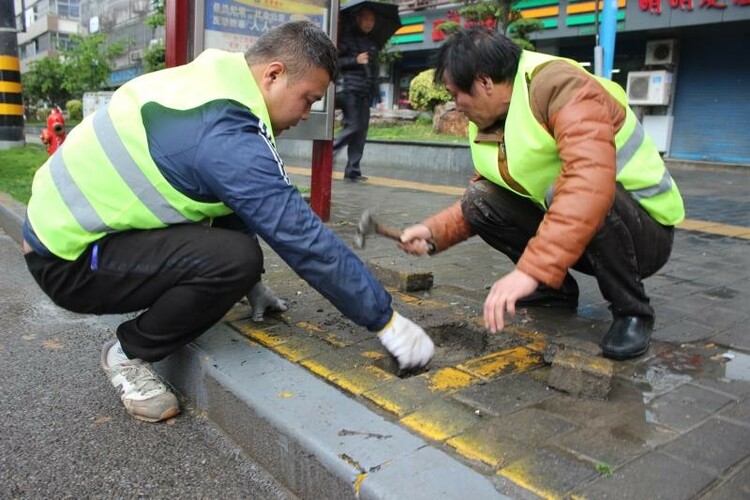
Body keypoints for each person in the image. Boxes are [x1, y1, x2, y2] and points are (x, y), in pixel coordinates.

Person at [22, 21, 434, 423]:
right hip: (68, 261)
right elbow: (301, 238)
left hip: (70, 232)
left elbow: (226, 197)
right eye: (308, 98)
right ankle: (128, 355)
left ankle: (211, 285)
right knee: (234, 259)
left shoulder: (212, 80)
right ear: (273, 74)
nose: (306, 114)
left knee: (239, 262)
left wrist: (251, 283)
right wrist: (386, 321)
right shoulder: (226, 132)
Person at [399, 27, 685, 361]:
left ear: (485, 82)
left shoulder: (561, 86)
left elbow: (588, 182)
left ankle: (633, 311)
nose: (455, 106)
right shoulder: (489, 119)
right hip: (582, 231)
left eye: (456, 94)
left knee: (583, 191)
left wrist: (529, 271)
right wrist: (433, 233)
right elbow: (493, 193)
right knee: (480, 199)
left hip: (643, 234)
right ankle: (553, 290)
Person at [333, 6, 380, 182]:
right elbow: (335, 62)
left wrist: (377, 94)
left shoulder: (372, 43)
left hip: (364, 92)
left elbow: (374, 70)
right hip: (349, 89)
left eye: (372, 20)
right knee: (352, 126)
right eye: (366, 19)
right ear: (359, 19)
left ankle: (353, 170)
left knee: (361, 132)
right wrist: (355, 60)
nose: (369, 23)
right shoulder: (346, 38)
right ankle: (330, 153)